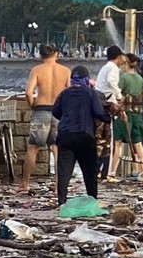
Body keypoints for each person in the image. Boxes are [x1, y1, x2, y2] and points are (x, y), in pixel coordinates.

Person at [50, 65, 106, 205]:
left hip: (65, 136)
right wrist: (109, 118)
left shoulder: (64, 93)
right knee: (89, 171)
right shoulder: (91, 93)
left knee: (64, 171)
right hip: (85, 136)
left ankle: (62, 202)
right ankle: (92, 200)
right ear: (86, 80)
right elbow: (99, 112)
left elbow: (55, 112)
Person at [23, 43, 70, 191]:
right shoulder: (65, 71)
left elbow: (28, 93)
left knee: (33, 148)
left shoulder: (36, 70)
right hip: (59, 112)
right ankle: (58, 185)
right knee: (57, 149)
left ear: (40, 55)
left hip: (41, 110)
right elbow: (69, 92)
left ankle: (25, 183)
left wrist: (32, 105)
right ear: (56, 54)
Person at [114, 52, 143, 178]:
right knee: (138, 143)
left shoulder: (124, 78)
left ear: (127, 64)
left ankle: (112, 171)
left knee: (117, 142)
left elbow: (118, 94)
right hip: (137, 114)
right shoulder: (140, 78)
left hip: (125, 114)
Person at [94, 45, 123, 179]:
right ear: (118, 57)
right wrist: (119, 94)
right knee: (108, 141)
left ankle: (98, 169)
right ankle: (105, 171)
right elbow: (111, 82)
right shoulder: (113, 68)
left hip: (99, 105)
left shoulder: (105, 67)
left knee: (99, 139)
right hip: (107, 105)